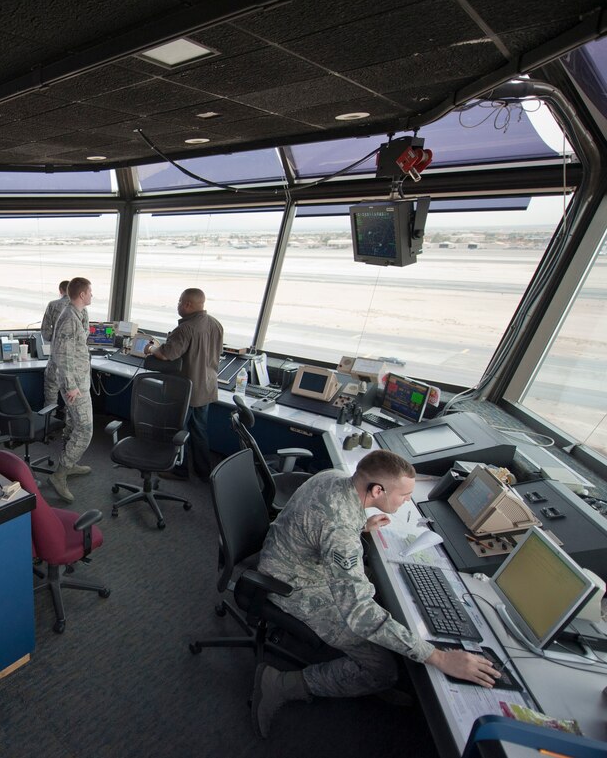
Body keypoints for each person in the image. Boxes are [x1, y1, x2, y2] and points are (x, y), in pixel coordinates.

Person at [250, 449, 501, 738]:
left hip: (292, 558)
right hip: (292, 585)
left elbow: (324, 523)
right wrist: (439, 658)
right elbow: (358, 614)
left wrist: (361, 525)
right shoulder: (340, 534)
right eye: (403, 495)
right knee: (381, 669)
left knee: (385, 601)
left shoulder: (336, 478)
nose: (407, 500)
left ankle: (362, 680)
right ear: (377, 490)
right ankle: (279, 683)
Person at [144, 288, 223, 482]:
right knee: (200, 430)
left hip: (186, 390)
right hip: (206, 387)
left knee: (179, 430)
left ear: (187, 304)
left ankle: (180, 470)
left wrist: (152, 347)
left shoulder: (185, 328)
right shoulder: (216, 324)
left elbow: (166, 354)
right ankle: (204, 471)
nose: (178, 305)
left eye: (179, 301)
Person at [45, 277, 94, 503]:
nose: (92, 295)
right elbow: (62, 355)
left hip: (80, 381)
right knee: (85, 429)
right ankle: (60, 474)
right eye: (90, 292)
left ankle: (70, 462)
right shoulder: (68, 318)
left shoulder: (76, 314)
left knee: (74, 424)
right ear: (82, 294)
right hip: (74, 385)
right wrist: (72, 385)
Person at [40, 279, 69, 411]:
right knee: (72, 396)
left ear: (60, 291)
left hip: (56, 358)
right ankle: (69, 426)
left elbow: (45, 332)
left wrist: (56, 340)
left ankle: (49, 421)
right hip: (71, 361)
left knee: (51, 391)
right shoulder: (80, 307)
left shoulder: (52, 305)